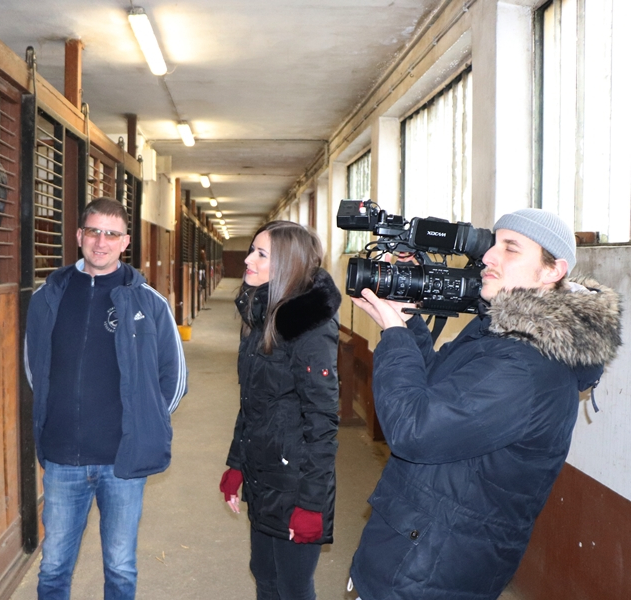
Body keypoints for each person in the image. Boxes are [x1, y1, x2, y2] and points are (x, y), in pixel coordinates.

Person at [347, 208, 622, 600]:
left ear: (552, 270)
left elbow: (413, 431)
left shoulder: (527, 367)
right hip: (416, 547)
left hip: (432, 571)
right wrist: (408, 322)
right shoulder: (498, 333)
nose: (489, 256)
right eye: (493, 244)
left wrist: (394, 335)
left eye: (510, 248)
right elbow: (433, 388)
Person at [24, 197, 188, 600]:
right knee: (54, 566)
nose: (102, 242)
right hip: (62, 458)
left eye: (112, 234)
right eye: (94, 231)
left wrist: (144, 421)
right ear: (79, 235)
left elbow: (175, 377)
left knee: (120, 566)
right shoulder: (48, 297)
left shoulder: (149, 302)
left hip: (122, 461)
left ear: (125, 241)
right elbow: (34, 367)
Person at [220, 221, 342, 600]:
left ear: (288, 264)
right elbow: (252, 404)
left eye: (261, 254)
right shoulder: (261, 318)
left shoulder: (309, 328)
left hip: (295, 482)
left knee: (292, 587)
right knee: (265, 574)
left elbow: (322, 422)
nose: (248, 260)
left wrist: (311, 504)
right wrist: (237, 464)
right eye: (251, 250)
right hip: (263, 473)